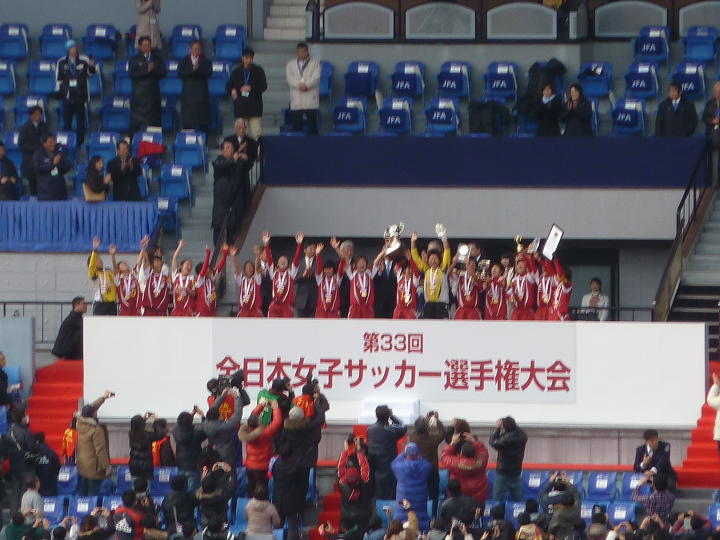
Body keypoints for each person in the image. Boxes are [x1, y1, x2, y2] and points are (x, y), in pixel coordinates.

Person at [279, 405, 327, 500]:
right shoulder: (307, 428)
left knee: (290, 487)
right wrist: (317, 405)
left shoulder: (286, 430)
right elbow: (320, 419)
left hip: (289, 462)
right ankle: (301, 504)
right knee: (302, 487)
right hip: (305, 462)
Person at [56, 40, 95, 146]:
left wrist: (91, 66)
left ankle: (80, 143)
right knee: (67, 123)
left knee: (80, 123)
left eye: (75, 47)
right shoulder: (61, 62)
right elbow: (58, 80)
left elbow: (91, 74)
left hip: (80, 96)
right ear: (68, 50)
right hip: (67, 97)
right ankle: (66, 144)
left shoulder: (84, 60)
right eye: (71, 48)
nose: (74, 49)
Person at [239, 399, 282, 496]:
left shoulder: (247, 432)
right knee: (263, 487)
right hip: (263, 466)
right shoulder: (266, 432)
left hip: (250, 465)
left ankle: (251, 502)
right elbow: (277, 421)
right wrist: (275, 407)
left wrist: (261, 405)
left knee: (251, 487)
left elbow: (253, 416)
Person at [75, 392, 113, 496]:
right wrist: (106, 467)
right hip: (94, 468)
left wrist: (103, 398)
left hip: (83, 465)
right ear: (93, 414)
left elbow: (90, 407)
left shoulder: (80, 422)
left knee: (83, 494)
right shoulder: (96, 429)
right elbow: (100, 449)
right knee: (92, 495)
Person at [367, 405, 407, 500]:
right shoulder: (391, 431)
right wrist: (392, 416)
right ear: (388, 415)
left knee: (376, 492)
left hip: (373, 465)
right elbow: (403, 427)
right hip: (388, 465)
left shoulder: (369, 429)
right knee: (389, 494)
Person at [228, 47, 267, 139]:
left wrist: (251, 88)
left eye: (251, 58)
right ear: (242, 58)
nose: (249, 60)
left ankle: (257, 148)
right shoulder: (236, 71)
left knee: (256, 133)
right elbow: (229, 85)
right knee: (242, 133)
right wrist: (232, 90)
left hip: (255, 106)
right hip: (241, 106)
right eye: (246, 58)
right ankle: (242, 148)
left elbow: (264, 86)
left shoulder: (258, 70)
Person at [411, 232, 452, 319]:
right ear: (428, 260)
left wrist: (443, 237)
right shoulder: (426, 270)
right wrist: (413, 242)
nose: (433, 261)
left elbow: (447, 251)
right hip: (429, 305)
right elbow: (415, 257)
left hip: (441, 305)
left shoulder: (443, 270)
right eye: (431, 258)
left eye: (435, 258)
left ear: (440, 260)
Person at [440, 435, 489, 508]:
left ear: (461, 452)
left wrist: (452, 443)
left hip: (458, 500)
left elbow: (444, 456)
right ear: (475, 452)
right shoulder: (481, 461)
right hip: (478, 499)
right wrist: (475, 442)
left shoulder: (453, 462)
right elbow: (483, 452)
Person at [409, 412, 446, 509]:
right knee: (434, 495)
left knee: (419, 493)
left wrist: (424, 421)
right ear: (427, 428)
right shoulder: (433, 439)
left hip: (418, 470)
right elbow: (442, 433)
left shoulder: (412, 437)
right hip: (431, 470)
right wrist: (436, 420)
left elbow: (418, 429)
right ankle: (433, 512)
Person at [129, 36, 166, 133]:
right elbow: (132, 74)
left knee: (154, 125)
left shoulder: (157, 59)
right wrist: (147, 70)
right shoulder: (134, 59)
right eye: (144, 45)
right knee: (136, 125)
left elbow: (163, 73)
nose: (146, 47)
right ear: (140, 47)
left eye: (148, 45)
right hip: (139, 97)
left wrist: (154, 69)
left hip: (153, 96)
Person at [263, 230, 303, 317]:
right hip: (275, 305)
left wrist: (299, 244)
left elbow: (296, 259)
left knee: (287, 325)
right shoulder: (274, 273)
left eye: (285, 260)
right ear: (277, 264)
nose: (283, 261)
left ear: (288, 264)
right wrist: (266, 244)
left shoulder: (291, 273)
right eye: (280, 260)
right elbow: (269, 259)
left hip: (287, 306)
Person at [392, 444, 431, 531]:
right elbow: (426, 463)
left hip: (402, 519)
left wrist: (404, 453)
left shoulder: (399, 467)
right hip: (421, 520)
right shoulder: (425, 466)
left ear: (406, 453)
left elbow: (394, 463)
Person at [202, 388, 245, 466]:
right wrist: (237, 398)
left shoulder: (206, 423)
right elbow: (237, 415)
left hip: (213, 453)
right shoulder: (224, 426)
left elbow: (213, 410)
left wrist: (222, 397)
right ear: (218, 417)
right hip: (226, 455)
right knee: (228, 471)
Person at [272, 444, 306, 540]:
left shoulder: (276, 464)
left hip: (278, 498)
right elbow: (301, 483)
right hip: (292, 500)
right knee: (293, 527)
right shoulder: (296, 466)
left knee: (278, 526)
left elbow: (274, 476)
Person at [338, 436, 372, 532]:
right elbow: (364, 467)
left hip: (347, 517)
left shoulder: (342, 483)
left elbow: (340, 467)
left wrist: (345, 451)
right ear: (359, 474)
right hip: (362, 517)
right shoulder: (364, 483)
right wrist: (359, 451)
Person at [286, 42, 321, 135]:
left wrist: (307, 85)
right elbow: (289, 78)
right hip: (297, 97)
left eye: (304, 51)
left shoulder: (315, 64)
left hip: (310, 97)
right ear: (297, 52)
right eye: (300, 51)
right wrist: (299, 85)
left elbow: (316, 77)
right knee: (297, 126)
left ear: (307, 52)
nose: (302, 53)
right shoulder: (290, 64)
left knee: (312, 126)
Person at [489, 416, 527, 501]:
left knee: (497, 499)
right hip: (516, 472)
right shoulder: (522, 437)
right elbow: (515, 428)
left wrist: (498, 428)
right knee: (518, 499)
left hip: (503, 472)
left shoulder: (505, 440)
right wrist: (509, 423)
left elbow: (492, 442)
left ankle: (498, 510)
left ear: (505, 427)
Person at [178, 41, 212, 133]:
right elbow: (181, 73)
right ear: (190, 49)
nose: (197, 51)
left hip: (201, 94)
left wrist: (198, 69)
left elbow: (209, 72)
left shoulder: (206, 61)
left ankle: (204, 140)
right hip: (188, 95)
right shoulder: (183, 61)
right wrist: (192, 70)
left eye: (199, 49)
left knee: (203, 121)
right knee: (187, 121)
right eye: (195, 49)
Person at [172, 407, 207, 492]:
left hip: (180, 466)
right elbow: (205, 430)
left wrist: (190, 416)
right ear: (191, 422)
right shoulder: (196, 434)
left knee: (181, 491)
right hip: (193, 467)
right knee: (193, 493)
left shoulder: (175, 432)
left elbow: (179, 425)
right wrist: (203, 416)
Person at [18, 106, 49, 196]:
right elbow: (22, 144)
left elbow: (47, 138)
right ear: (31, 115)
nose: (38, 116)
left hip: (43, 159)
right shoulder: (24, 128)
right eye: (36, 114)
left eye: (39, 114)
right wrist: (36, 148)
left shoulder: (44, 125)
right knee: (33, 184)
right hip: (30, 160)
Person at [34, 133, 71, 201]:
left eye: (54, 141)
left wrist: (60, 163)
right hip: (45, 193)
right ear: (44, 144)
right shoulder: (38, 154)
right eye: (50, 142)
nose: (53, 144)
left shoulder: (60, 152)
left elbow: (67, 167)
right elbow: (39, 168)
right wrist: (53, 164)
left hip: (60, 192)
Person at [194, 246, 229, 317]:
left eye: (209, 268)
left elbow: (220, 266)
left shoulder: (211, 277)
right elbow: (203, 271)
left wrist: (225, 253)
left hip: (212, 311)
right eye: (207, 268)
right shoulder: (199, 280)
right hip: (202, 312)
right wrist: (208, 254)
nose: (210, 270)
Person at [140, 236, 171, 316]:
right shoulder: (149, 274)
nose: (158, 263)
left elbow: (170, 287)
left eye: (159, 261)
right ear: (151, 264)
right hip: (149, 310)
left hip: (162, 310)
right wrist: (144, 247)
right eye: (155, 261)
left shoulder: (166, 277)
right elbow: (146, 261)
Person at [129, 412, 164, 481]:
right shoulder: (147, 436)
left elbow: (136, 426)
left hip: (134, 466)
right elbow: (160, 435)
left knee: (135, 485)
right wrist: (156, 421)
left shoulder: (131, 434)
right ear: (142, 425)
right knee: (146, 485)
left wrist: (144, 420)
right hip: (146, 467)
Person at [313, 243, 345, 318]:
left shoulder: (337, 279)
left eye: (330, 269)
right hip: (321, 312)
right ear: (324, 270)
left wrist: (336, 248)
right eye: (326, 269)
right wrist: (317, 254)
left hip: (334, 313)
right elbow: (319, 266)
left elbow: (342, 262)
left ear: (333, 270)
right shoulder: (320, 279)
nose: (328, 271)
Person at [88, 237, 118, 315]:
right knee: (99, 322)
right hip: (100, 303)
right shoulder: (93, 274)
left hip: (112, 303)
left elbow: (116, 272)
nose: (100, 260)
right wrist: (95, 249)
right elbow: (91, 266)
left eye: (100, 259)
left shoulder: (108, 271)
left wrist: (113, 256)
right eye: (97, 260)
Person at [111, 245, 143, 317]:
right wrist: (113, 255)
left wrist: (143, 248)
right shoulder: (119, 279)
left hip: (136, 308)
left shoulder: (134, 274)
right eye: (122, 264)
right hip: (124, 309)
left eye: (125, 263)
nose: (124, 264)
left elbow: (139, 262)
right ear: (119, 269)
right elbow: (115, 268)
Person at [232, 246, 263, 317]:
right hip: (243, 311)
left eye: (251, 267)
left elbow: (257, 266)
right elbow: (237, 268)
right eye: (247, 267)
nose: (249, 269)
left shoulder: (257, 279)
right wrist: (234, 256)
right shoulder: (241, 280)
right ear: (244, 269)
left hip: (255, 311)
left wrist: (258, 255)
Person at [170, 240, 196, 317]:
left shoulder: (192, 278)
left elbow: (194, 294)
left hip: (188, 311)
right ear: (181, 266)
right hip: (177, 311)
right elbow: (174, 258)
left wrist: (185, 289)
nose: (189, 267)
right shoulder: (176, 276)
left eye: (191, 265)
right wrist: (180, 247)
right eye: (187, 264)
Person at [508, 254, 538, 320]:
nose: (520, 266)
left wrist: (527, 257)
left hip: (528, 311)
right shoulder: (514, 280)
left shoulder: (529, 277)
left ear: (526, 267)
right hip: (516, 311)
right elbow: (508, 293)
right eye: (518, 265)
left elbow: (533, 270)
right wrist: (510, 298)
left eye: (522, 264)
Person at [294, 240, 318, 317]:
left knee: (313, 322)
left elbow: (321, 278)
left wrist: (312, 274)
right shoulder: (298, 263)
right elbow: (293, 279)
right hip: (301, 299)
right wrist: (303, 275)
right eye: (311, 248)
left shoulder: (318, 262)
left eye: (314, 249)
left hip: (313, 299)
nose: (313, 251)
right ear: (305, 250)